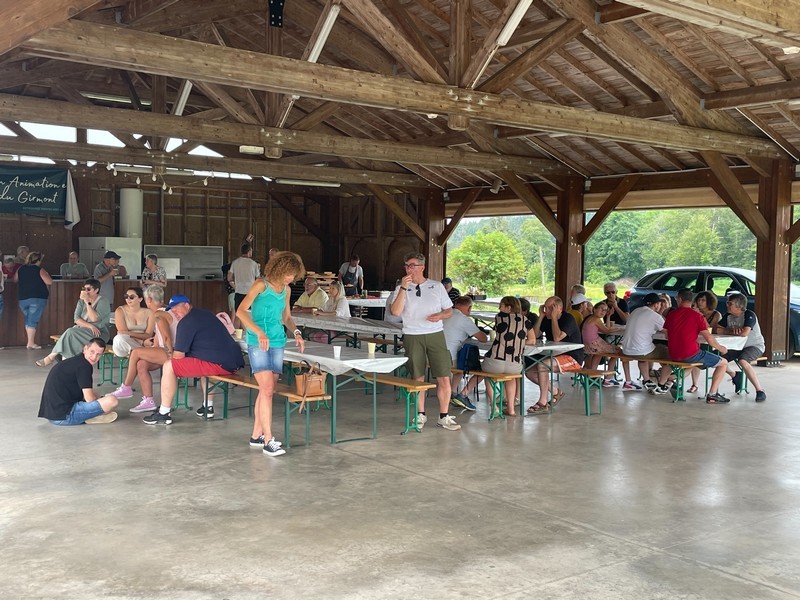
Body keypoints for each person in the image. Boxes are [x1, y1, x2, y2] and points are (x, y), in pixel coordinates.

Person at [236, 251, 306, 456]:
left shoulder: (286, 290)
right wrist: (258, 332)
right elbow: (241, 311)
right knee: (266, 389)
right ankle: (268, 440)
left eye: (294, 275)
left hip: (277, 341)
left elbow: (287, 317)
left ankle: (256, 435)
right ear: (280, 269)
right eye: (289, 274)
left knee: (267, 390)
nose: (291, 278)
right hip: (258, 341)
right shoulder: (261, 285)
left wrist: (297, 333)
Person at [142, 294, 245, 425]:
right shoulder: (205, 313)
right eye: (172, 311)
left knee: (169, 366)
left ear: (186, 305)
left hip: (219, 364)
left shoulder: (186, 322)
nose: (175, 313)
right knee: (202, 363)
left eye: (176, 309)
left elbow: (178, 356)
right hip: (233, 362)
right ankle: (207, 407)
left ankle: (163, 413)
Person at [390, 252, 460, 431]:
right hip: (412, 335)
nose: (409, 269)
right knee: (417, 377)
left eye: (412, 265)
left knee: (443, 376)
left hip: (435, 334)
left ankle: (443, 416)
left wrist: (440, 315)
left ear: (422, 267)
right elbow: (395, 312)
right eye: (406, 266)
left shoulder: (436, 286)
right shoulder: (401, 288)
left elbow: (449, 310)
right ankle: (420, 414)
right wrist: (403, 288)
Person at [111, 286, 180, 414]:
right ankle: (149, 401)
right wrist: (151, 350)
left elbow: (167, 338)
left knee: (136, 352)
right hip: (166, 350)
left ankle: (126, 387)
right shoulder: (163, 311)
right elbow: (159, 337)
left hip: (173, 352)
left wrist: (171, 357)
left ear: (148, 300)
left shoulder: (159, 314)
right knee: (141, 364)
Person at [663, 288, 729, 403]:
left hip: (673, 353)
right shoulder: (697, 316)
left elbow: (666, 334)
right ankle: (712, 394)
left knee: (691, 364)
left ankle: (673, 379)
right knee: (723, 363)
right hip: (691, 353)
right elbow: (708, 338)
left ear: (679, 299)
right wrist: (721, 348)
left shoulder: (672, 314)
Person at [37, 338, 119, 425]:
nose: (94, 357)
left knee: (96, 394)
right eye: (92, 352)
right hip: (65, 416)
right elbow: (89, 399)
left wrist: (98, 399)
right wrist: (100, 401)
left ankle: (91, 416)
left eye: (98, 354)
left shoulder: (76, 361)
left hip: (53, 415)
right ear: (85, 349)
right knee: (112, 401)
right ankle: (91, 416)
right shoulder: (84, 366)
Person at [525, 296, 584, 413]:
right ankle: (556, 392)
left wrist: (554, 318)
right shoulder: (546, 318)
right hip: (555, 355)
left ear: (559, 308)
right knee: (530, 372)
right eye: (545, 307)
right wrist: (541, 316)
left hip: (573, 356)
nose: (546, 310)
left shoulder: (568, 318)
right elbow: (534, 336)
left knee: (542, 365)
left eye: (550, 308)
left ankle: (542, 402)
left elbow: (557, 337)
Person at [36, 278, 111, 367]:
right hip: (82, 331)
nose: (86, 292)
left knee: (70, 333)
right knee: (71, 337)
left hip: (98, 333)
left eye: (88, 289)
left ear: (96, 290)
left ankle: (53, 358)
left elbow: (94, 318)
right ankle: (64, 363)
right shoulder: (81, 301)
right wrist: (90, 326)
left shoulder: (103, 301)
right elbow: (76, 319)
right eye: (84, 289)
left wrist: (88, 302)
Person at [482, 296, 536, 416]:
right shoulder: (526, 320)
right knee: (511, 378)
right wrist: (518, 341)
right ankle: (511, 409)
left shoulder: (499, 317)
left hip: (495, 361)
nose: (499, 308)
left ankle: (494, 406)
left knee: (487, 376)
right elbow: (532, 340)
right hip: (515, 365)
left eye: (501, 305)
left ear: (508, 307)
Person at [716, 292, 767, 402]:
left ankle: (759, 390)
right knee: (719, 360)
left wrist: (727, 331)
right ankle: (733, 376)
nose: (727, 305)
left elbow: (744, 333)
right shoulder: (728, 316)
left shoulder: (749, 314)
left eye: (730, 303)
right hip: (736, 346)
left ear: (739, 306)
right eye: (727, 303)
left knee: (743, 361)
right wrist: (731, 331)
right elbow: (717, 329)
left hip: (754, 346)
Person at [443, 295, 488, 411]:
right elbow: (483, 339)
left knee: (459, 368)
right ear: (469, 308)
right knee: (479, 368)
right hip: (449, 357)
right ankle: (462, 395)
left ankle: (453, 393)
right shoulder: (464, 319)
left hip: (433, 354)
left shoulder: (445, 314)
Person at [620, 293, 672, 391]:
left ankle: (647, 380)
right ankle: (662, 383)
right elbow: (667, 331)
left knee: (645, 349)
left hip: (626, 349)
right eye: (660, 304)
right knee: (671, 355)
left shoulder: (635, 311)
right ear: (656, 304)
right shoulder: (655, 316)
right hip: (641, 351)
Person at [581, 300, 637, 389]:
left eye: (605, 310)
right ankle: (609, 379)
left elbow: (606, 328)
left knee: (599, 354)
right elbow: (607, 331)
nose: (603, 312)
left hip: (589, 346)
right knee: (618, 351)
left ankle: (593, 376)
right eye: (601, 309)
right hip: (595, 345)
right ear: (594, 309)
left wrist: (608, 316)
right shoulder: (596, 319)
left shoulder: (590, 318)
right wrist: (620, 328)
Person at [14, 251, 52, 349]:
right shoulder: (39, 270)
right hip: (37, 297)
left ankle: (30, 342)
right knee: (32, 320)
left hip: (23, 298)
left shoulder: (21, 269)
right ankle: (30, 343)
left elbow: (15, 280)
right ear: (38, 260)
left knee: (29, 319)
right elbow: (49, 281)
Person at [687, 290, 722, 393]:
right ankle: (694, 384)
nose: (700, 302)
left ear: (709, 302)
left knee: (696, 357)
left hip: (710, 343)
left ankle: (672, 378)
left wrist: (700, 315)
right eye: (699, 300)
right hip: (696, 341)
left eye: (703, 300)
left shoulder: (716, 314)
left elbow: (710, 329)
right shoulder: (694, 312)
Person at [111, 286, 153, 357]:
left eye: (132, 297)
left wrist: (129, 333)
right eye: (126, 296)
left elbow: (148, 334)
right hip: (125, 345)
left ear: (140, 299)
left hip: (143, 343)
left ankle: (139, 354)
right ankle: (141, 353)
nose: (128, 299)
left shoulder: (149, 312)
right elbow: (123, 333)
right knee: (119, 339)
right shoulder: (120, 311)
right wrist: (141, 342)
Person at [228, 243, 260, 325]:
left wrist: (236, 287)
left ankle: (236, 333)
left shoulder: (235, 262)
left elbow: (229, 278)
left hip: (239, 292)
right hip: (250, 293)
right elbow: (258, 280)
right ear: (249, 251)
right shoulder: (254, 264)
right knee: (250, 316)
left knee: (238, 315)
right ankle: (249, 332)